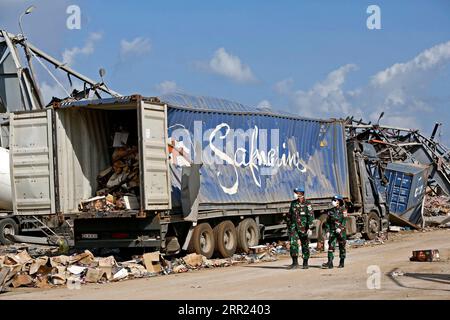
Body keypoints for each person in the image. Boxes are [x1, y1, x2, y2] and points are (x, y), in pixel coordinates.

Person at [286, 187, 314, 269]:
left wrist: (310, 228)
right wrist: (289, 226)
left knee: (305, 244)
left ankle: (305, 262)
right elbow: (290, 215)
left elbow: (311, 216)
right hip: (294, 228)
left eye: (296, 192)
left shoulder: (307, 204)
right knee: (293, 244)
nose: (294, 194)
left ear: (300, 194)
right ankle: (295, 263)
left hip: (304, 228)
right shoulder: (293, 203)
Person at [322, 195, 347, 269]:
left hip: (341, 232)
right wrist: (327, 231)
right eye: (333, 200)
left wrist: (340, 228)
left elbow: (344, 221)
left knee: (342, 246)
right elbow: (327, 222)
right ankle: (330, 262)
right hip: (332, 231)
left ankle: (342, 261)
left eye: (335, 200)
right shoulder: (330, 211)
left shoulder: (344, 210)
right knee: (331, 246)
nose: (333, 202)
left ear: (339, 202)